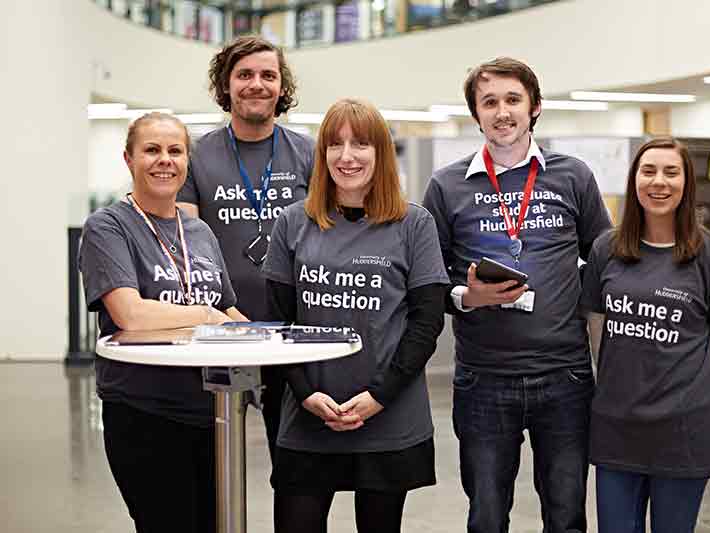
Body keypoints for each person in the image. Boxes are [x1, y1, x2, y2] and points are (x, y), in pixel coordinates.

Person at [422, 57, 611, 533]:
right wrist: (468, 296)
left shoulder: (573, 176)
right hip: (483, 378)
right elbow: (428, 281)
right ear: (476, 114)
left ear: (535, 107)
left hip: (565, 375)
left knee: (567, 515)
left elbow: (605, 259)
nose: (502, 112)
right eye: (489, 102)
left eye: (512, 100)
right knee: (486, 517)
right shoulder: (446, 186)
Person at [262, 99, 450, 533]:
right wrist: (305, 392)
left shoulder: (413, 224)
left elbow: (426, 324)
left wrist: (379, 396)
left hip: (388, 414)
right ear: (321, 154)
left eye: (361, 144)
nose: (347, 157)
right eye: (336, 144)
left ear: (380, 152)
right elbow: (278, 322)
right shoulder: (293, 223)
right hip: (308, 414)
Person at [79, 112, 246, 533]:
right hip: (144, 412)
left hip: (213, 411)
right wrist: (203, 316)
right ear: (129, 159)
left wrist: (275, 338)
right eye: (152, 150)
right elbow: (130, 314)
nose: (164, 160)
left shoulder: (200, 232)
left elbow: (227, 310)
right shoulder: (109, 227)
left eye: (175, 151)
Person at [580, 137, 710, 533]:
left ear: (686, 183)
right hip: (616, 428)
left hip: (685, 431)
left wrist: (709, 417)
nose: (659, 182)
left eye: (671, 172)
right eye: (649, 171)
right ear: (634, 180)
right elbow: (597, 336)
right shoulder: (606, 249)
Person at [176, 35, 315, 457]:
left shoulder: (308, 153)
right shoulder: (196, 154)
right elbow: (182, 242)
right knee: (209, 463)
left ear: (281, 87)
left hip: (289, 330)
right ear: (227, 85)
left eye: (268, 75)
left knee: (293, 468)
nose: (257, 84)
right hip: (217, 329)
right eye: (244, 75)